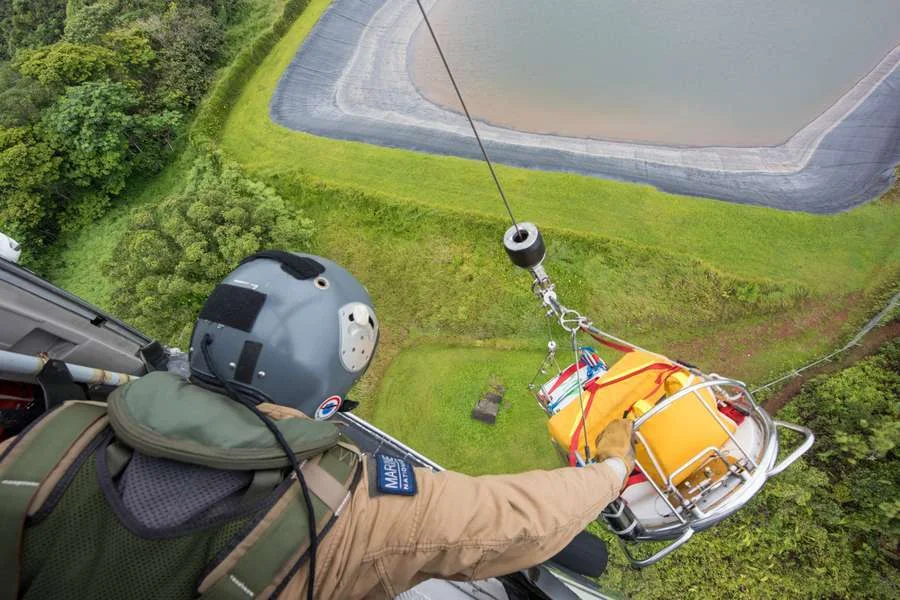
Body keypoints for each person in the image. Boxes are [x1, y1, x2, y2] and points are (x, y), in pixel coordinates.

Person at [0, 251, 634, 600]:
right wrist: (611, 468)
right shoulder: (342, 509)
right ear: (330, 387)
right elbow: (512, 519)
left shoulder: (42, 444)